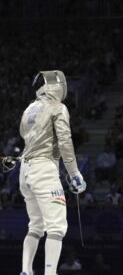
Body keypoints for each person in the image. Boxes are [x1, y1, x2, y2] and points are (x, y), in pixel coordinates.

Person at [19, 71, 87, 275]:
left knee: (36, 226)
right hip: (43, 169)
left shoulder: (30, 108)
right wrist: (75, 173)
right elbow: (65, 140)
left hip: (25, 170)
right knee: (56, 228)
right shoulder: (57, 107)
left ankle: (26, 271)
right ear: (57, 86)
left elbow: (26, 134)